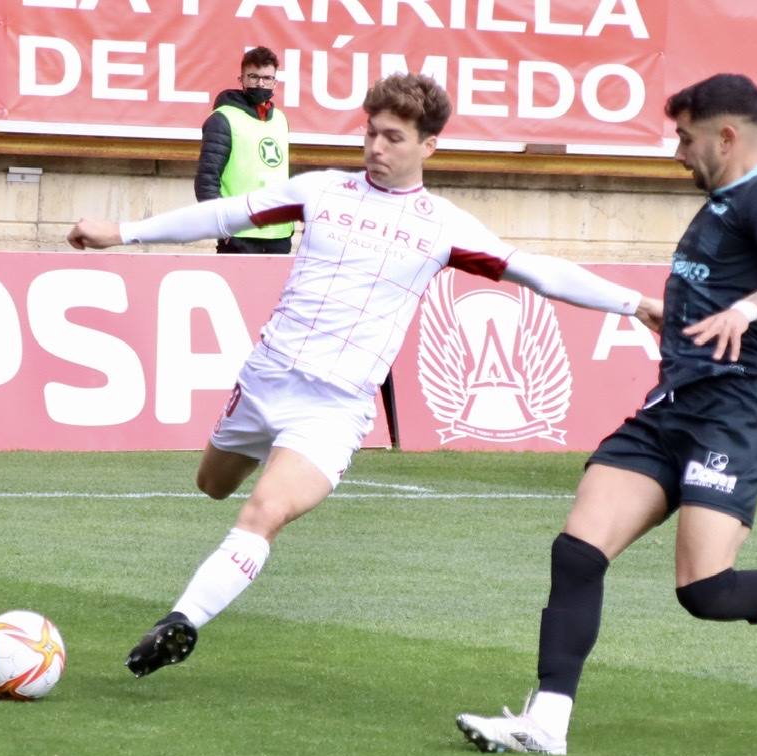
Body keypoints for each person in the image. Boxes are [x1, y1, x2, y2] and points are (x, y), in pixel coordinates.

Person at [67, 73, 664, 680]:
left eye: (394, 137)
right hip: (266, 378)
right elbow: (227, 212)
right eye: (371, 133)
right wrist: (124, 233)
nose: (377, 147)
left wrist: (635, 303)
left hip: (333, 409)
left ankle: (182, 621)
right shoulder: (323, 191)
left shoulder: (443, 225)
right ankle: (205, 568)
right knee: (213, 485)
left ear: (429, 145)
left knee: (262, 513)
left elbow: (538, 272)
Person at [455, 73, 757, 756]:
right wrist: (676, 320)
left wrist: (748, 309)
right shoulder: (719, 203)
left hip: (731, 416)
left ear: (726, 136)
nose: (676, 151)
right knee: (577, 550)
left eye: (684, 136)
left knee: (705, 590)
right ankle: (547, 722)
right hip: (671, 408)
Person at [194, 46, 293, 254]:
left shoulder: (281, 120)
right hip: (239, 235)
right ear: (241, 80)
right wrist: (223, 227)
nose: (260, 83)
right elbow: (206, 180)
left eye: (267, 78)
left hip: (279, 235)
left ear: (275, 82)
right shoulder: (223, 119)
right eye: (253, 77)